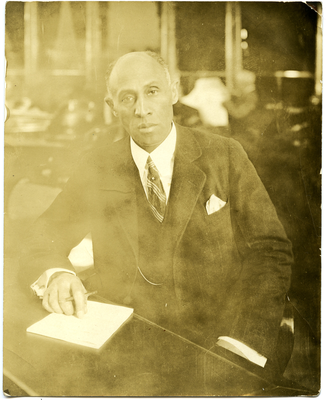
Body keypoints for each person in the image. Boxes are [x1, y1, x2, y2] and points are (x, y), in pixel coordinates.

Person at [20, 51, 292, 368]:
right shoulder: (98, 166)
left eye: (152, 92)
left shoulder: (225, 155)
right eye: (127, 98)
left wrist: (242, 341)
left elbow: (270, 251)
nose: (142, 110)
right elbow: (42, 235)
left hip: (216, 343)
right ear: (113, 108)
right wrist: (58, 274)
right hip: (126, 343)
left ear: (173, 92)